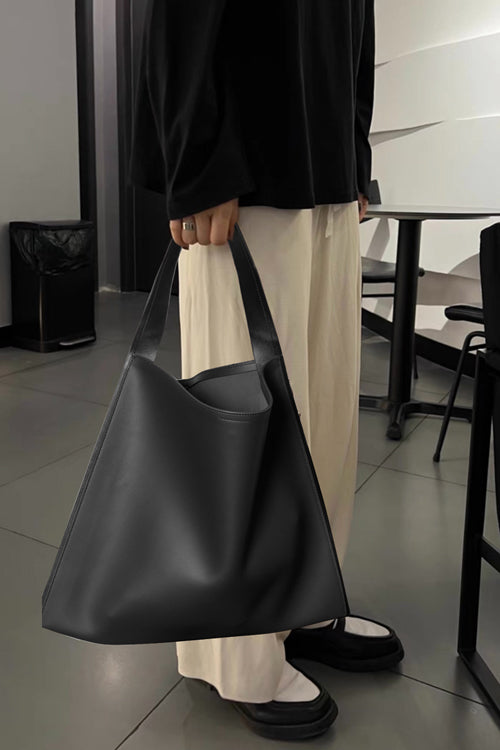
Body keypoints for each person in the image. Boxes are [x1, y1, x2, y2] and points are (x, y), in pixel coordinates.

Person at [128, 0, 404, 741]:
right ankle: (239, 651)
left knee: (325, 417)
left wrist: (353, 154)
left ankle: (304, 603)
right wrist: (199, 162)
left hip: (326, 168)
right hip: (246, 174)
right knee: (245, 425)